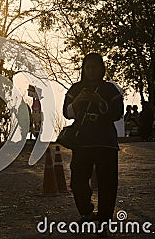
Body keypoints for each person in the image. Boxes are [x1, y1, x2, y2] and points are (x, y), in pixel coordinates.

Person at [63, 53, 124, 228]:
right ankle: (86, 212)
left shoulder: (110, 90)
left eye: (94, 67)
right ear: (83, 69)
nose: (91, 71)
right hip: (82, 142)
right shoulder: (75, 89)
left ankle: (105, 219)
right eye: (87, 67)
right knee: (77, 181)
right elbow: (66, 113)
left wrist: (99, 101)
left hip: (106, 142)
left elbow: (117, 113)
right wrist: (77, 102)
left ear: (102, 69)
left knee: (108, 183)